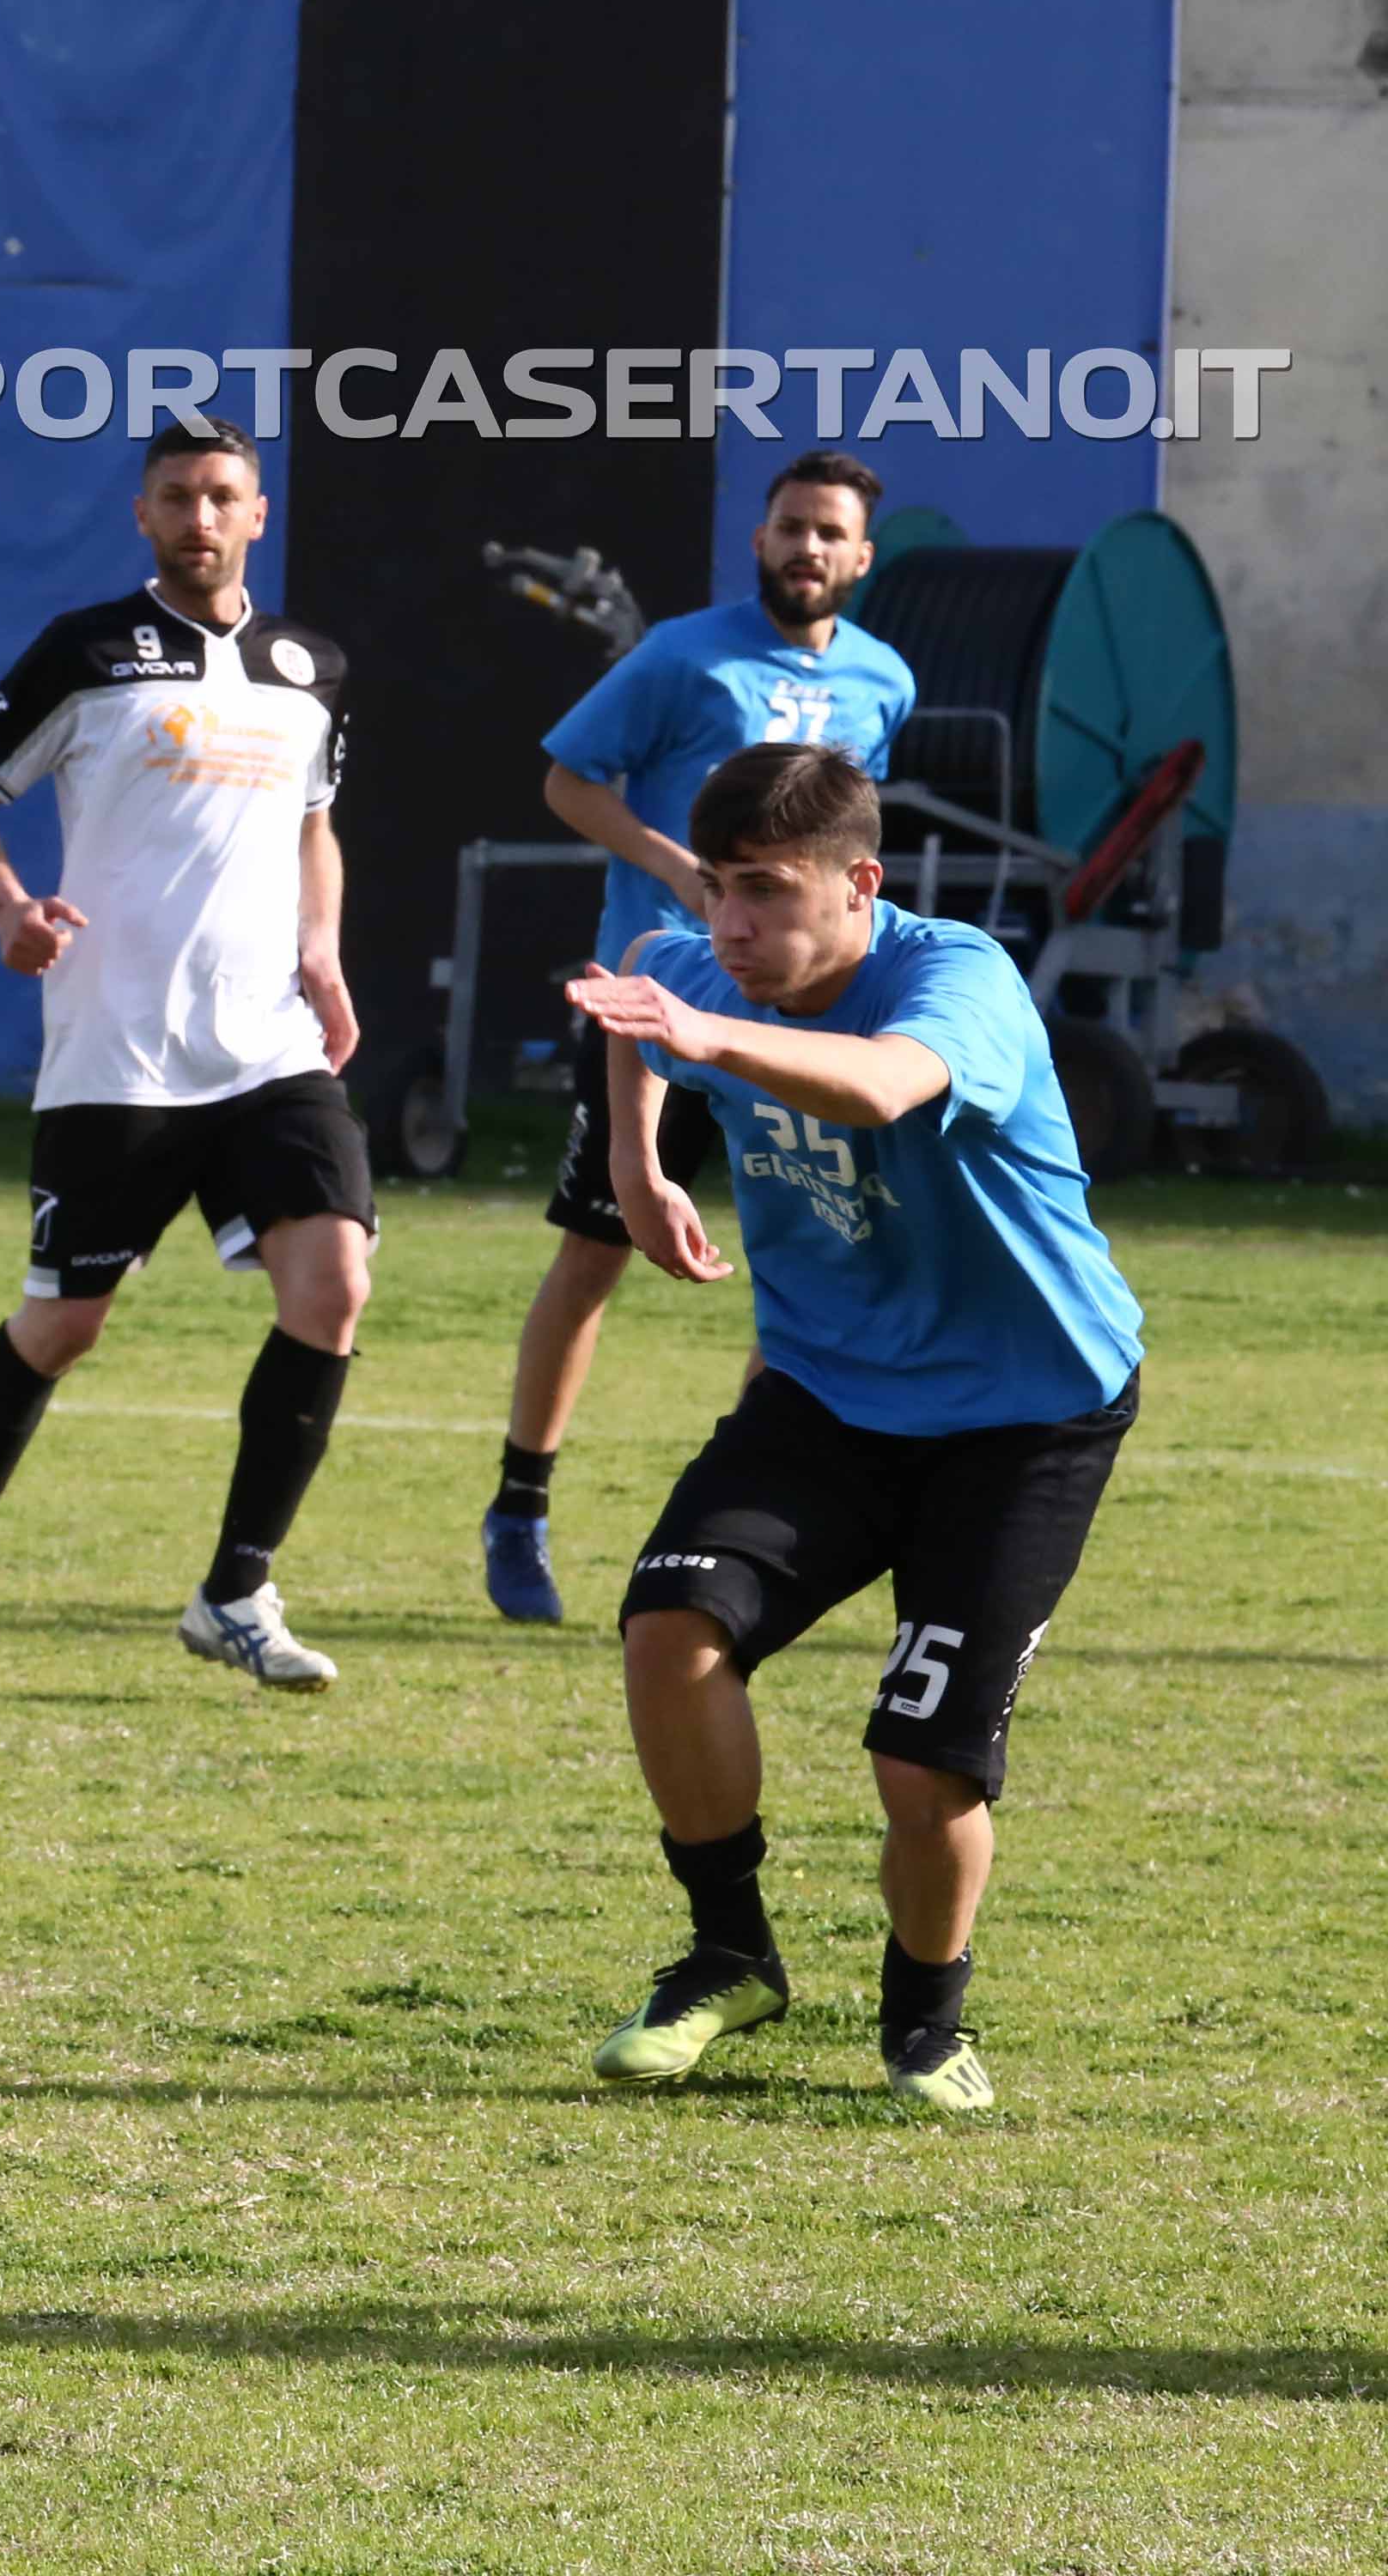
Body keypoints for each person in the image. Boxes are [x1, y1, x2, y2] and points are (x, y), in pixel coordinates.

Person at [569, 743, 1141, 2113]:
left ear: (859, 884)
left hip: (1027, 1416)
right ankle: (727, 1953)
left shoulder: (960, 982)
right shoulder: (705, 962)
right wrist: (641, 1170)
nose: (732, 926)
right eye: (719, 890)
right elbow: (643, 981)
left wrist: (700, 1038)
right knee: (671, 1631)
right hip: (826, 1394)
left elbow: (884, 1087)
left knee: (921, 1754)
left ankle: (926, 2025)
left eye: (764, 892)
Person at [0, 415, 368, 1696]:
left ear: (257, 514)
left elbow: (316, 825)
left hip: (269, 1048)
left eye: (222, 495)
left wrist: (322, 951)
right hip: (116, 1052)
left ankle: (237, 1588)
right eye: (176, 496)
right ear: (143, 515)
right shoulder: (87, 653)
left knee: (331, 1290)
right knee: (65, 1325)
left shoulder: (308, 665)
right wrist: (11, 909)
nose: (199, 517)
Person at [479, 452, 910, 1623]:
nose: (806, 548)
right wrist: (681, 869)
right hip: (658, 1006)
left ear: (862, 556)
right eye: (789, 527)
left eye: (829, 532)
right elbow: (569, 780)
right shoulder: (682, 654)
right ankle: (521, 1505)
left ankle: (778, 1503)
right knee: (599, 1247)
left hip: (801, 1022)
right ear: (759, 540)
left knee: (812, 1259)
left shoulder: (884, 680)